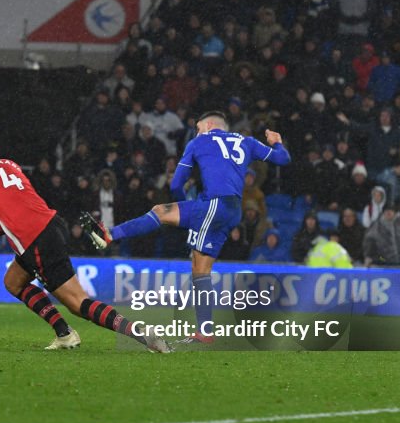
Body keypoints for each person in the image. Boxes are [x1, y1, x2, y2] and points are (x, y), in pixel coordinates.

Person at [0, 127, 169, 353]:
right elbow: (22, 209)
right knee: (13, 281)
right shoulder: (10, 165)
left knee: (79, 304)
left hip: (36, 240)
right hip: (52, 224)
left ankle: (142, 334)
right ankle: (64, 333)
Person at [87, 111, 290, 343]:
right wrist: (277, 142)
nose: (197, 131)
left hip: (212, 205)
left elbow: (176, 184)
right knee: (200, 268)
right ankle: (205, 330)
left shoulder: (199, 142)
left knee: (160, 212)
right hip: (233, 210)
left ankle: (110, 234)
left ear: (210, 124)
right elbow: (282, 160)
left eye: (198, 126)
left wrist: (184, 213)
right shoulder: (247, 141)